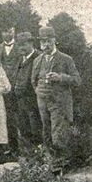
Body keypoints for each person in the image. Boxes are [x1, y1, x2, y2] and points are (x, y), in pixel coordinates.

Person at [31, 26, 81, 154]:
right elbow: (33, 80)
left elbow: (77, 80)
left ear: (54, 40)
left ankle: (61, 159)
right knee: (46, 129)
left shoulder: (66, 59)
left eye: (49, 41)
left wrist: (60, 77)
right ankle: (50, 159)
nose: (46, 44)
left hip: (59, 102)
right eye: (43, 41)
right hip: (43, 102)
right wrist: (38, 91)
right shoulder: (37, 60)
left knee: (58, 131)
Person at [12, 32, 41, 149]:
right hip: (21, 99)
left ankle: (38, 152)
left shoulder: (39, 57)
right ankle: (28, 152)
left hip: (34, 99)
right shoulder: (20, 59)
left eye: (23, 45)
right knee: (23, 126)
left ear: (31, 43)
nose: (21, 48)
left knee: (36, 126)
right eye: (19, 45)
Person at [0, 27, 21, 154]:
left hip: (16, 89)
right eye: (5, 31)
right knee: (0, 117)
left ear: (14, 31)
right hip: (0, 90)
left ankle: (15, 147)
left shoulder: (20, 48)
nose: (8, 33)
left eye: (10, 31)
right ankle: (1, 146)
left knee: (14, 119)